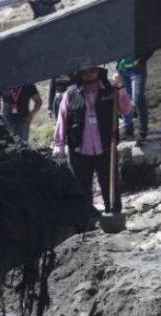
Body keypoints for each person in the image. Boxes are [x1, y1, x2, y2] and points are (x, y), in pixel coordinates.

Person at [52, 66, 133, 212]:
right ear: (79, 74)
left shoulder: (110, 90)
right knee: (81, 190)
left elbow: (126, 109)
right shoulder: (71, 94)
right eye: (85, 71)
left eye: (92, 70)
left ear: (99, 71)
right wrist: (59, 146)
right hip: (79, 151)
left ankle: (114, 215)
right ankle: (87, 221)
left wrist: (121, 88)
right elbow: (61, 120)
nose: (89, 74)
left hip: (106, 148)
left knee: (111, 186)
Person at [114, 55, 149, 139]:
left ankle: (143, 130)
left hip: (137, 69)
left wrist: (142, 59)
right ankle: (128, 130)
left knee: (138, 98)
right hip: (121, 70)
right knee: (124, 100)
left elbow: (149, 48)